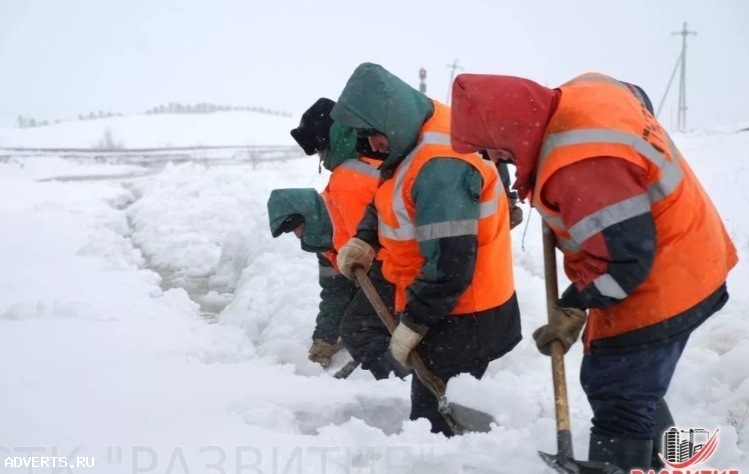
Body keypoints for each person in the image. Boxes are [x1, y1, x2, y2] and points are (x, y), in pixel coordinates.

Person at [449, 71, 738, 470]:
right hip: (690, 251)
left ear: (508, 130)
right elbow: (636, 95)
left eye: (491, 149)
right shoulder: (584, 92)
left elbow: (625, 261)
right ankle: (660, 465)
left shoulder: (579, 164)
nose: (495, 160)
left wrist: (574, 303)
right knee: (631, 386)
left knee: (617, 389)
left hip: (666, 276)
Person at [331, 62, 522, 436]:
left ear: (392, 118)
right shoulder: (414, 136)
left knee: (435, 423)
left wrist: (414, 322)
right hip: (451, 310)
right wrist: (364, 238)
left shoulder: (440, 167)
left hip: (466, 315)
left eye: (374, 135)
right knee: (436, 407)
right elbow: (391, 192)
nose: (373, 147)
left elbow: (451, 264)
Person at [286, 98, 405, 379]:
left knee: (360, 329)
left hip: (393, 267)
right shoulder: (374, 160)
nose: (319, 158)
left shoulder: (347, 177)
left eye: (318, 149)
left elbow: (366, 239)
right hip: (406, 263)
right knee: (368, 325)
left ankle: (399, 385)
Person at [267, 187, 352, 368]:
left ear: (307, 216)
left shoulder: (346, 218)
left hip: (402, 287)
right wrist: (324, 338)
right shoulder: (325, 246)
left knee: (364, 329)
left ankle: (389, 382)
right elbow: (335, 292)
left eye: (296, 227)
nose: (297, 235)